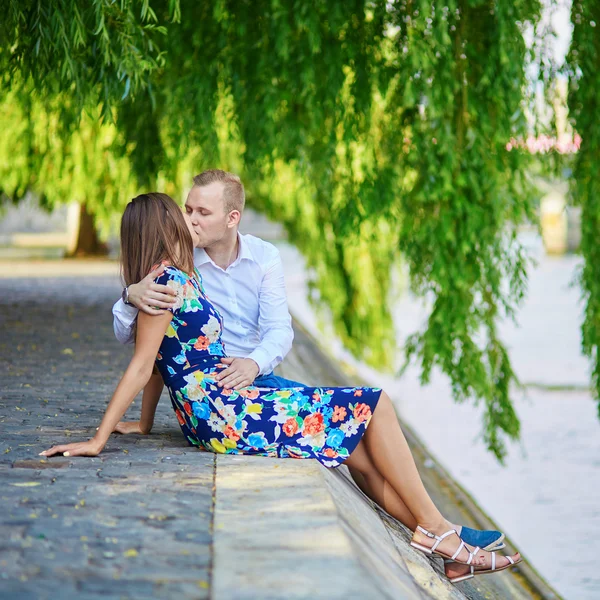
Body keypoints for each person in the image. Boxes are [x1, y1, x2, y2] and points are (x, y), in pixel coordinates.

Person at [41, 193, 521, 584]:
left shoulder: (176, 277)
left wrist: (143, 425)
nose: (186, 221)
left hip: (228, 403)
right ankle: (440, 533)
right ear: (160, 228)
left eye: (192, 212)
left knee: (364, 448)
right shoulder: (163, 285)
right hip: (226, 414)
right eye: (178, 214)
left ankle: (446, 547)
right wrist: (98, 440)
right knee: (374, 404)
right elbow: (143, 363)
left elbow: (165, 363)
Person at [112, 169, 302, 391]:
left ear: (232, 218)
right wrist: (129, 297)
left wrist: (253, 363)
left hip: (259, 375)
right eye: (189, 210)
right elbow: (128, 337)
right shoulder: (178, 266)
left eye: (203, 212)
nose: (191, 220)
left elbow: (279, 328)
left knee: (341, 407)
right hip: (215, 387)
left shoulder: (265, 256)